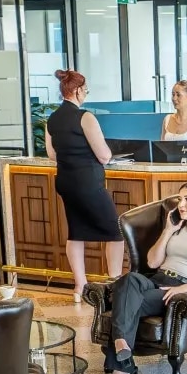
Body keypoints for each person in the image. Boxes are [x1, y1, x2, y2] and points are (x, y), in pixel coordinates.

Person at [99, 181, 187, 374]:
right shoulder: (175, 227)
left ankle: (121, 365)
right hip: (155, 279)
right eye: (179, 199)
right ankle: (122, 350)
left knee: (124, 304)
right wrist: (168, 230)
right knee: (129, 279)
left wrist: (180, 289)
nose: (181, 204)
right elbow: (152, 262)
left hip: (178, 287)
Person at [44, 68, 124, 298]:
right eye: (86, 90)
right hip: (88, 182)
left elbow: (52, 153)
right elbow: (104, 156)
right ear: (77, 91)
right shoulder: (85, 117)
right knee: (115, 232)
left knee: (76, 232)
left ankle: (80, 286)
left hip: (66, 182)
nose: (86, 94)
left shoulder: (52, 118)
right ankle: (115, 284)